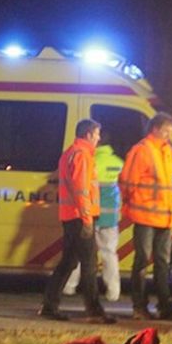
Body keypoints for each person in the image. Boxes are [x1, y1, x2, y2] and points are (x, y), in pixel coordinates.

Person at [39, 119, 116, 323]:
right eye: (97, 134)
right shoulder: (82, 156)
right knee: (89, 265)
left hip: (71, 216)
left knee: (68, 263)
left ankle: (49, 305)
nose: (99, 138)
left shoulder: (70, 153)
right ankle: (94, 311)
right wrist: (87, 219)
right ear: (88, 134)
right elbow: (81, 190)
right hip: (80, 217)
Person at [120, 113, 172, 321]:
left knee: (162, 264)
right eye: (167, 130)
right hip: (146, 216)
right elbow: (127, 182)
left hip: (164, 218)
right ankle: (139, 307)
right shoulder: (142, 150)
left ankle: (164, 306)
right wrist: (135, 204)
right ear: (155, 129)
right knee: (142, 262)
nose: (170, 135)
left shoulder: (168, 152)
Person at [63, 133, 124, 301]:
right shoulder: (118, 163)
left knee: (81, 252)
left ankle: (69, 286)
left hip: (91, 214)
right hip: (110, 217)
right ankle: (113, 292)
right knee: (109, 254)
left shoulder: (90, 160)